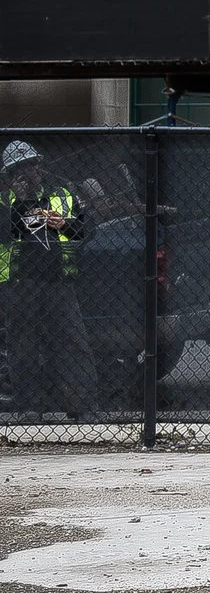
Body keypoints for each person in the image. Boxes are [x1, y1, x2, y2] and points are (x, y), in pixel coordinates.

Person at [0, 141, 95, 421]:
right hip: (19, 283)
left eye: (33, 165)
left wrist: (63, 224)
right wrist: (24, 202)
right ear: (9, 175)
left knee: (73, 343)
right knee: (23, 346)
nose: (31, 172)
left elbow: (85, 230)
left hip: (59, 282)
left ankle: (83, 407)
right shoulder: (5, 202)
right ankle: (29, 407)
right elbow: (5, 232)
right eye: (22, 168)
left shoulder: (62, 193)